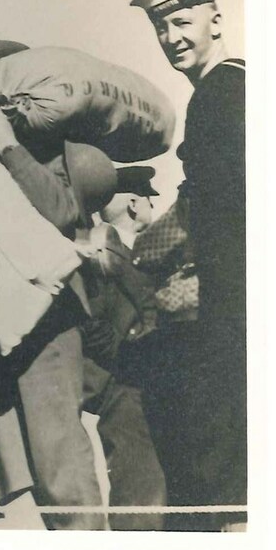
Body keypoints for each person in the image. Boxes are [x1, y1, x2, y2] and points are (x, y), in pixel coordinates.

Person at [0, 30, 116, 529]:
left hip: (47, 320)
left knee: (58, 460)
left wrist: (10, 147)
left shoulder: (45, 142)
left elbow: (60, 211)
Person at [129, 0, 247, 530]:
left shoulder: (221, 94)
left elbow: (219, 212)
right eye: (161, 27)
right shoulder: (238, 85)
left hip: (229, 304)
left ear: (215, 22)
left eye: (181, 22)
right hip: (235, 295)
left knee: (217, 469)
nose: (171, 36)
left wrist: (151, 257)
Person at [78, 167, 170, 526]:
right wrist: (131, 357)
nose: (151, 206)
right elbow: (91, 324)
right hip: (126, 383)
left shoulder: (119, 252)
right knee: (140, 482)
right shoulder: (104, 252)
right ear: (134, 203)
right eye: (148, 199)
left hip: (136, 380)